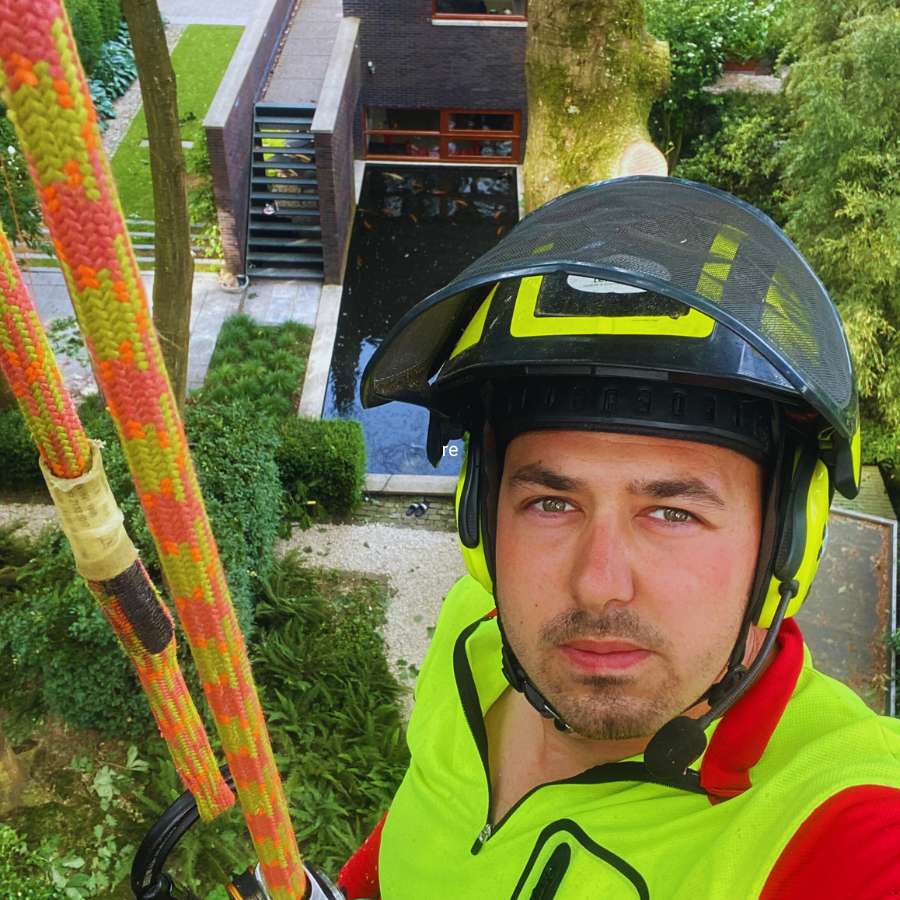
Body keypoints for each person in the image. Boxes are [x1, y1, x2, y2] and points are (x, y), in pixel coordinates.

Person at [336, 177, 900, 898]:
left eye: (672, 514)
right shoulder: (472, 635)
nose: (599, 584)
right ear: (481, 522)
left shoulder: (839, 825)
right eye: (550, 503)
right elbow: (426, 815)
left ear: (788, 544)